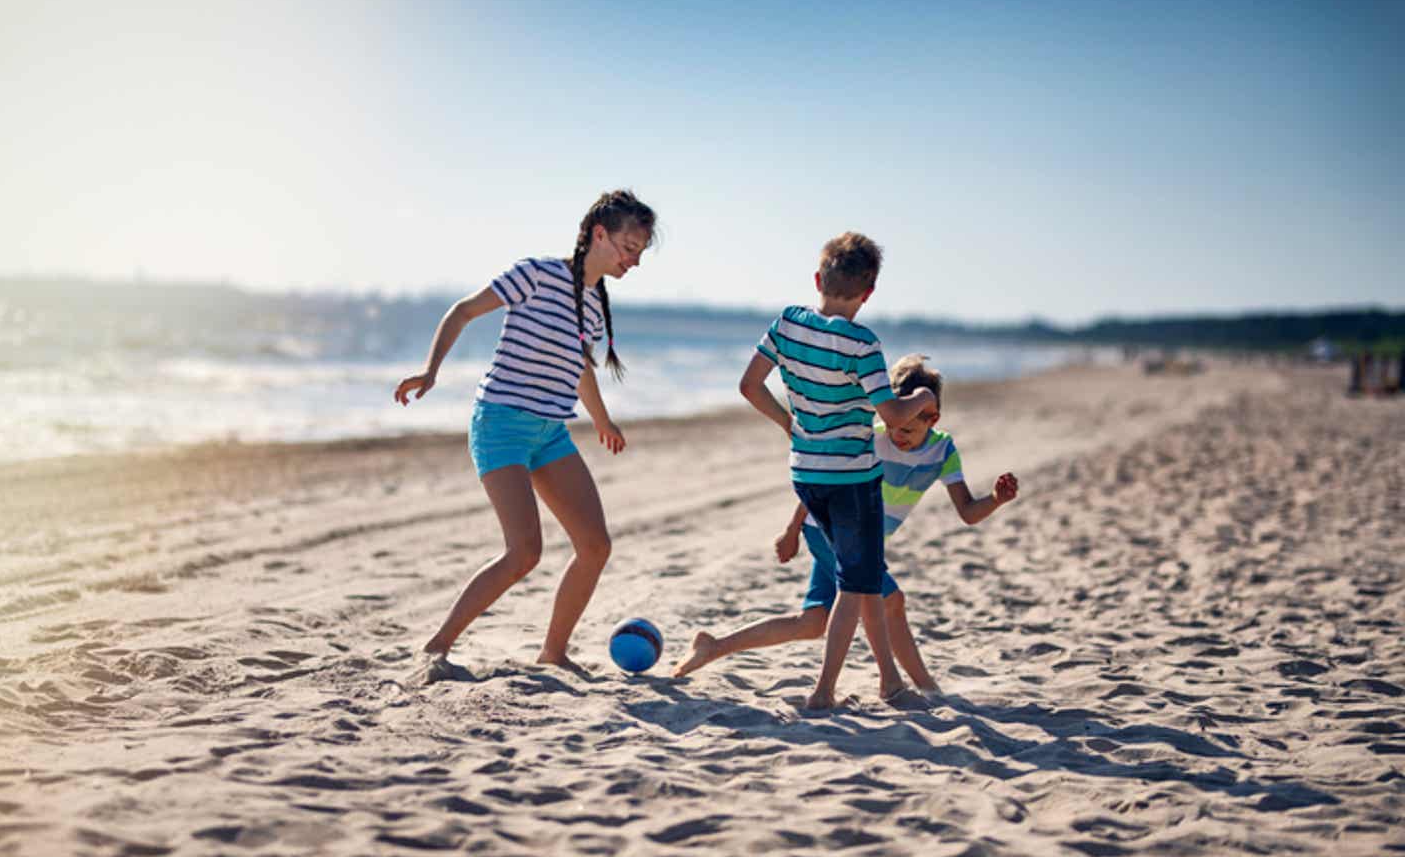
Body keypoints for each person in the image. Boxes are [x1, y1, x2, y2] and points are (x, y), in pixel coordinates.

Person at [393, 190, 656, 673]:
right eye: (628, 246)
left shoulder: (595, 302)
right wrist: (431, 371)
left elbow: (580, 365)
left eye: (640, 251)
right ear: (599, 235)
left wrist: (602, 420)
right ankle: (437, 647)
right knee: (524, 552)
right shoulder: (535, 274)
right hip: (500, 424)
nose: (634, 260)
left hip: (550, 432)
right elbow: (463, 311)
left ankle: (553, 653)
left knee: (596, 546)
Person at [673, 356, 1019, 692]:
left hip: (854, 536)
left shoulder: (943, 452)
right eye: (895, 425)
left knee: (812, 624)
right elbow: (825, 482)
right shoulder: (871, 437)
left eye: (909, 430)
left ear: (932, 417)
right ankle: (921, 687)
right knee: (890, 601)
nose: (898, 436)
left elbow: (969, 512)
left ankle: (712, 646)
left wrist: (996, 499)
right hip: (826, 526)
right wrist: (792, 529)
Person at [728, 232, 936, 709]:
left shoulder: (786, 323)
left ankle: (890, 680)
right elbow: (891, 414)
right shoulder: (863, 343)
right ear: (868, 293)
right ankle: (823, 692)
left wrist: (788, 423)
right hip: (852, 479)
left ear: (818, 278)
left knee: (862, 578)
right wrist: (922, 398)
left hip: (805, 473)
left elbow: (749, 385)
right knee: (854, 585)